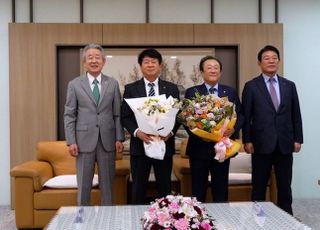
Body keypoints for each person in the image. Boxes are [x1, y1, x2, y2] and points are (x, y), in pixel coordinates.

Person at [242, 45, 303, 214]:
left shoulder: (289, 85)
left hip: (285, 143)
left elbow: (295, 114)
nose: (271, 61)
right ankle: (258, 219)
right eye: (267, 58)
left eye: (274, 57)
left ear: (279, 61)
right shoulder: (251, 86)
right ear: (259, 63)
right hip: (261, 144)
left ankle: (287, 219)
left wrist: (298, 138)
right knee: (259, 186)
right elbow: (246, 116)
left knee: (285, 186)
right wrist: (247, 140)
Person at [64, 44, 124, 206]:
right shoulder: (75, 84)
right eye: (90, 57)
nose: (94, 61)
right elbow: (69, 114)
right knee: (84, 185)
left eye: (97, 57)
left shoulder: (112, 84)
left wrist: (119, 138)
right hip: (83, 141)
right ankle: (82, 220)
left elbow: (117, 114)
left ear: (103, 62)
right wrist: (71, 141)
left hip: (108, 140)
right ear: (84, 63)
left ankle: (108, 221)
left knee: (108, 186)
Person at [121, 48, 180, 204]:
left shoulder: (172, 88)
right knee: (138, 187)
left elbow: (177, 115)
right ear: (141, 66)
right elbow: (125, 116)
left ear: (160, 65)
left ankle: (165, 223)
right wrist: (137, 132)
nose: (150, 65)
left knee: (164, 187)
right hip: (140, 146)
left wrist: (170, 133)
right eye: (146, 62)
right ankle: (136, 222)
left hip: (164, 144)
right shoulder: (131, 89)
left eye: (154, 62)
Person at [184, 56, 243, 202]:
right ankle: (198, 223)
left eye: (216, 67)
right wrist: (202, 134)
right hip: (199, 149)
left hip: (223, 148)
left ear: (220, 72)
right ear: (202, 72)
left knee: (221, 189)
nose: (213, 70)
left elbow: (241, 115)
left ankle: (222, 223)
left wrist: (233, 129)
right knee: (198, 190)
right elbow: (187, 120)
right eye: (209, 67)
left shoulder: (230, 91)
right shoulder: (192, 92)